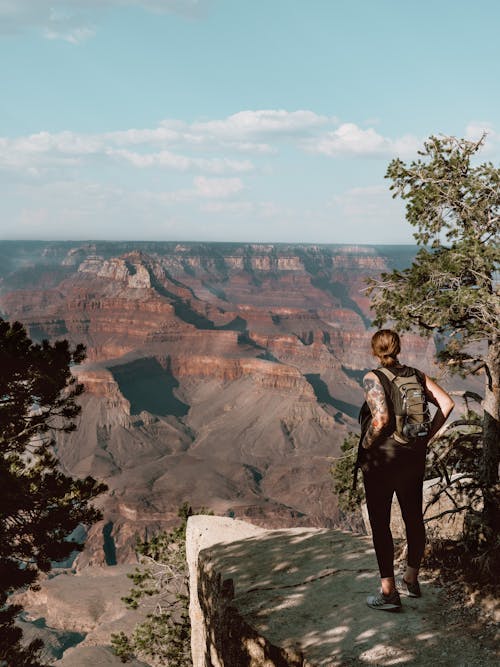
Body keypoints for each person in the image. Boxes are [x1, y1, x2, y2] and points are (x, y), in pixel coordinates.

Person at [361, 329, 454, 611]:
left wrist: (366, 446)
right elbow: (447, 404)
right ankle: (411, 579)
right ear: (398, 348)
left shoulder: (372, 377)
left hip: (382, 461)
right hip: (412, 457)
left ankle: (388, 593)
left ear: (375, 351)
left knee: (381, 523)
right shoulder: (416, 374)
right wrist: (427, 437)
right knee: (413, 518)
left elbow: (381, 419)